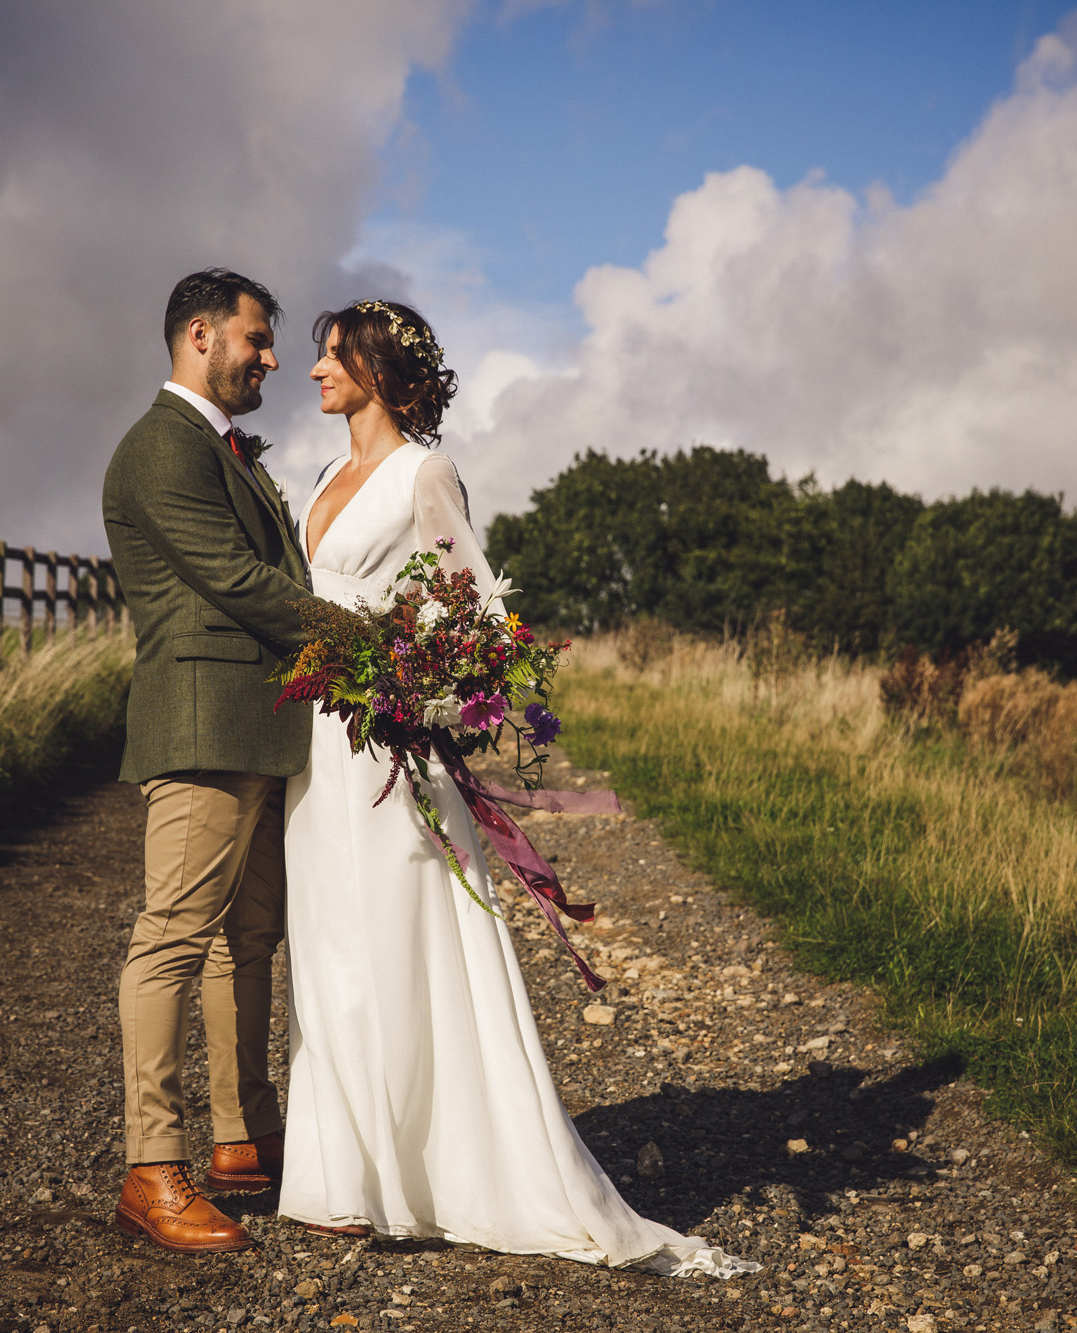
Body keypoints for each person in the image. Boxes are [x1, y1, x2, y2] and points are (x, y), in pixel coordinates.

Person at [277, 299, 756, 1277]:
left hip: (382, 751)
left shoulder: (425, 473)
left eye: (331, 358)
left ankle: (430, 1175)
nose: (315, 371)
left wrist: (413, 680)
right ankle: (343, 1176)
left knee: (396, 948)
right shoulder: (324, 473)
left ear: (376, 368)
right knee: (325, 945)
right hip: (309, 752)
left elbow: (481, 623)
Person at [100, 268, 317, 1255]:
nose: (270, 357)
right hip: (201, 723)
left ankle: (243, 1134)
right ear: (200, 335)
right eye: (257, 338)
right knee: (172, 938)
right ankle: (152, 1167)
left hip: (258, 723)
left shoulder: (222, 447)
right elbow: (233, 578)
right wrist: (365, 642)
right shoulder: (158, 448)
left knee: (251, 938)